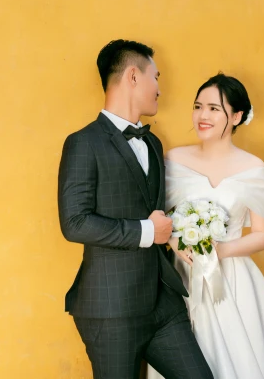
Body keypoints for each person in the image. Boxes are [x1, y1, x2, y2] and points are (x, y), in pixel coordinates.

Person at [57, 39, 213, 379]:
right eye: (156, 77)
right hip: (111, 310)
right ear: (132, 76)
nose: (160, 87)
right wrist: (146, 231)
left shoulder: (154, 143)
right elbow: (74, 222)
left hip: (163, 304)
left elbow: (156, 212)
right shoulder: (83, 143)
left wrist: (172, 234)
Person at [148, 73, 264, 379]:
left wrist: (217, 250)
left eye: (215, 108)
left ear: (237, 116)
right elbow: (159, 217)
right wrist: (176, 241)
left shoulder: (253, 169)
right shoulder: (174, 160)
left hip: (232, 280)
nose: (203, 115)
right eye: (198, 106)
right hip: (181, 276)